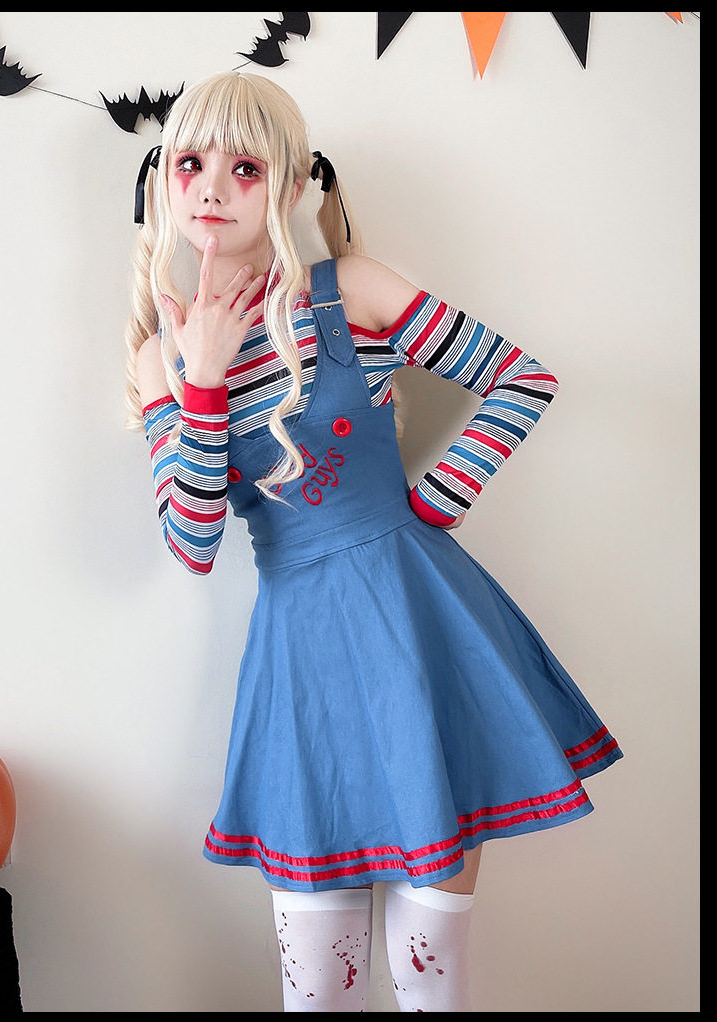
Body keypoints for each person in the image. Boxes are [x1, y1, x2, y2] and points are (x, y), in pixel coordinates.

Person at [125, 70, 622, 1013]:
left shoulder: (349, 291)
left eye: (245, 166)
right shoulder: (164, 356)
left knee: (431, 973)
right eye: (191, 163)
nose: (213, 187)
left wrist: (430, 502)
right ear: (165, 182)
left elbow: (522, 379)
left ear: (287, 183)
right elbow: (191, 544)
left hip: (423, 623)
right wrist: (205, 379)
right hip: (301, 661)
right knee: (318, 987)